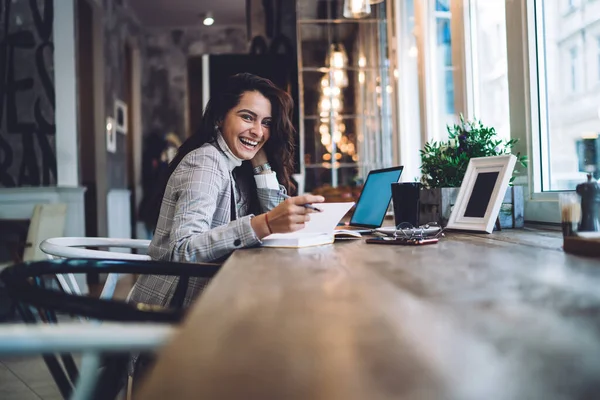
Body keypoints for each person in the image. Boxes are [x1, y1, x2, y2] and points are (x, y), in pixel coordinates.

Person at [128, 73, 324, 308]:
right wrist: (264, 224)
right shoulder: (206, 162)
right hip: (171, 309)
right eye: (248, 118)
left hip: (211, 298)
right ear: (220, 117)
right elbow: (182, 251)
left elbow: (278, 224)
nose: (258, 131)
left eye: (266, 123)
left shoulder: (236, 166)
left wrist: (261, 163)